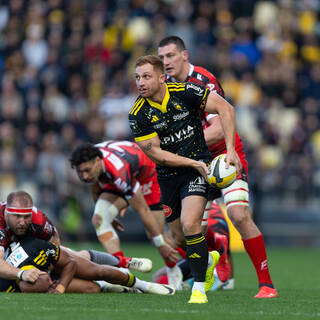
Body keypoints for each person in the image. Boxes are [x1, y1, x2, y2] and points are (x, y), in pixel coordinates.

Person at [157, 35, 277, 299]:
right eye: (162, 57)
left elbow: (219, 129)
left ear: (184, 55)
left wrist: (176, 145)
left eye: (170, 56)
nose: (165, 62)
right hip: (194, 162)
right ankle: (218, 248)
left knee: (238, 214)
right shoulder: (162, 87)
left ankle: (266, 284)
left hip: (224, 157)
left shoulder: (202, 81)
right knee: (185, 233)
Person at [128, 54, 242, 304]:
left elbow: (226, 108)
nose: (141, 82)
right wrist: (191, 162)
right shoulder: (138, 114)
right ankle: (209, 257)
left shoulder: (186, 90)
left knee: (192, 226)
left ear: (161, 77)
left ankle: (198, 290)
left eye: (146, 76)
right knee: (178, 237)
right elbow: (156, 154)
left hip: (197, 172)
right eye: (137, 77)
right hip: (169, 176)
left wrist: (230, 149)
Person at [0, 191, 175, 296]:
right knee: (91, 288)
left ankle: (129, 268)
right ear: (7, 213)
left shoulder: (38, 220)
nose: (22, 222)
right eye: (17, 217)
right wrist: (24, 274)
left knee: (79, 258)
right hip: (16, 268)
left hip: (33, 254)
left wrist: (50, 268)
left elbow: (56, 244)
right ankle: (107, 285)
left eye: (26, 216)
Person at [69, 140, 178, 271]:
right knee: (100, 219)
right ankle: (121, 270)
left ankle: (176, 271)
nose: (84, 176)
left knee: (156, 236)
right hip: (125, 173)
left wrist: (160, 244)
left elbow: (143, 210)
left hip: (147, 174)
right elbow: (94, 186)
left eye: (87, 170)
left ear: (98, 161)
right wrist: (109, 215)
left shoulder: (119, 172)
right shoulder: (93, 161)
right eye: (80, 172)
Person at [152, 201, 234, 291]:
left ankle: (194, 280)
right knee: (159, 277)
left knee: (159, 278)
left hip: (203, 231)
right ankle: (207, 273)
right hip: (212, 231)